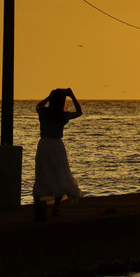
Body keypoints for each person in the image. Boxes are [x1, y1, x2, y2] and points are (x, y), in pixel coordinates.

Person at [33, 87, 82, 216]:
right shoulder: (63, 115)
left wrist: (49, 97)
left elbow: (38, 106)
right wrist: (72, 96)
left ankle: (38, 203)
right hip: (56, 146)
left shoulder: (43, 112)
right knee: (60, 173)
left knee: (42, 173)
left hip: (44, 144)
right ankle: (56, 207)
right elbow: (79, 112)